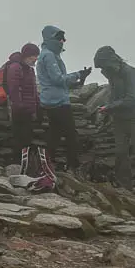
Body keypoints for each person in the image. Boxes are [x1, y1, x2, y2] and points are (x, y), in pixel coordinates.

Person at [93, 46, 135, 196]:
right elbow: (113, 95)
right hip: (119, 119)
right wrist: (108, 108)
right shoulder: (112, 74)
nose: (103, 71)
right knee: (121, 152)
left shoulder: (131, 73)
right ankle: (124, 186)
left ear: (111, 61)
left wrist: (109, 107)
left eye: (103, 66)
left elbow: (133, 99)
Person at [36, 26, 92, 174]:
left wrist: (80, 78)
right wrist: (78, 74)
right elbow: (57, 79)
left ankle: (48, 162)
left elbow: (58, 81)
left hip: (52, 100)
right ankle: (73, 165)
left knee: (55, 133)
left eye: (63, 38)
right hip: (58, 102)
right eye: (60, 38)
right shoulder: (48, 56)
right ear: (51, 38)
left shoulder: (50, 55)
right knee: (70, 134)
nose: (63, 41)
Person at [7, 44, 53, 190]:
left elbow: (33, 91)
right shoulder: (15, 68)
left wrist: (38, 107)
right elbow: (14, 89)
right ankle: (17, 169)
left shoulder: (29, 70)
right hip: (20, 111)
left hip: (28, 111)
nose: (36, 59)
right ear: (28, 55)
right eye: (34, 56)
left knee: (26, 138)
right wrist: (20, 106)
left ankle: (23, 169)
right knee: (21, 139)